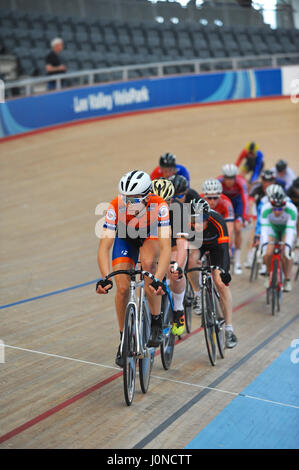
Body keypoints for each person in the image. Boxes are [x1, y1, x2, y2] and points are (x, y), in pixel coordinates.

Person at [96, 170, 172, 367]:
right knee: (121, 288)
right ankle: (123, 340)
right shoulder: (116, 205)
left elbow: (165, 249)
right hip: (126, 238)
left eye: (134, 199)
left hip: (150, 235)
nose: (129, 204)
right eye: (126, 198)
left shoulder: (159, 206)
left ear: (147, 195)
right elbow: (104, 247)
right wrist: (105, 278)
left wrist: (158, 278)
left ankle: (156, 320)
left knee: (148, 264)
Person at [186, 198, 238, 349]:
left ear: (208, 217)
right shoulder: (186, 223)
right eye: (195, 220)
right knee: (191, 263)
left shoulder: (218, 221)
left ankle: (229, 329)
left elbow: (225, 251)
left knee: (219, 281)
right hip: (198, 245)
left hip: (217, 247)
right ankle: (198, 295)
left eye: (202, 220)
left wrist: (224, 272)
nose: (198, 224)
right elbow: (185, 249)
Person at [152, 178, 188, 336]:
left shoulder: (178, 210)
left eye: (165, 201)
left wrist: (178, 266)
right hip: (155, 245)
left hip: (172, 245)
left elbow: (181, 244)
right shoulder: (146, 209)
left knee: (174, 272)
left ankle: (178, 309)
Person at [245, 169, 285, 269]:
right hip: (260, 209)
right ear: (261, 180)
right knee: (255, 228)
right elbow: (250, 203)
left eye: (270, 181)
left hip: (274, 210)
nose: (267, 183)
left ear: (274, 181)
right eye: (265, 181)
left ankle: (266, 259)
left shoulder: (279, 187)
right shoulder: (257, 188)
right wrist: (249, 215)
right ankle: (251, 255)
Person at [260, 184, 297, 292]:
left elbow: (290, 231)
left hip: (286, 229)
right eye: (274, 208)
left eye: (280, 208)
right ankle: (268, 274)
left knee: (286, 252)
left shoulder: (292, 209)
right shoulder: (265, 209)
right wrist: (264, 246)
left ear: (284, 206)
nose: (277, 211)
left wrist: (288, 247)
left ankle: (287, 279)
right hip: (272, 229)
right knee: (268, 252)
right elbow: (264, 230)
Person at [218, 164, 249, 275]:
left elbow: (245, 200)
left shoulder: (241, 182)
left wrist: (244, 216)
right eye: (227, 177)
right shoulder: (218, 181)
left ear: (235, 177)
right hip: (224, 205)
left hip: (237, 205)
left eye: (232, 178)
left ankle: (238, 261)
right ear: (223, 176)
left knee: (237, 228)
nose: (229, 181)